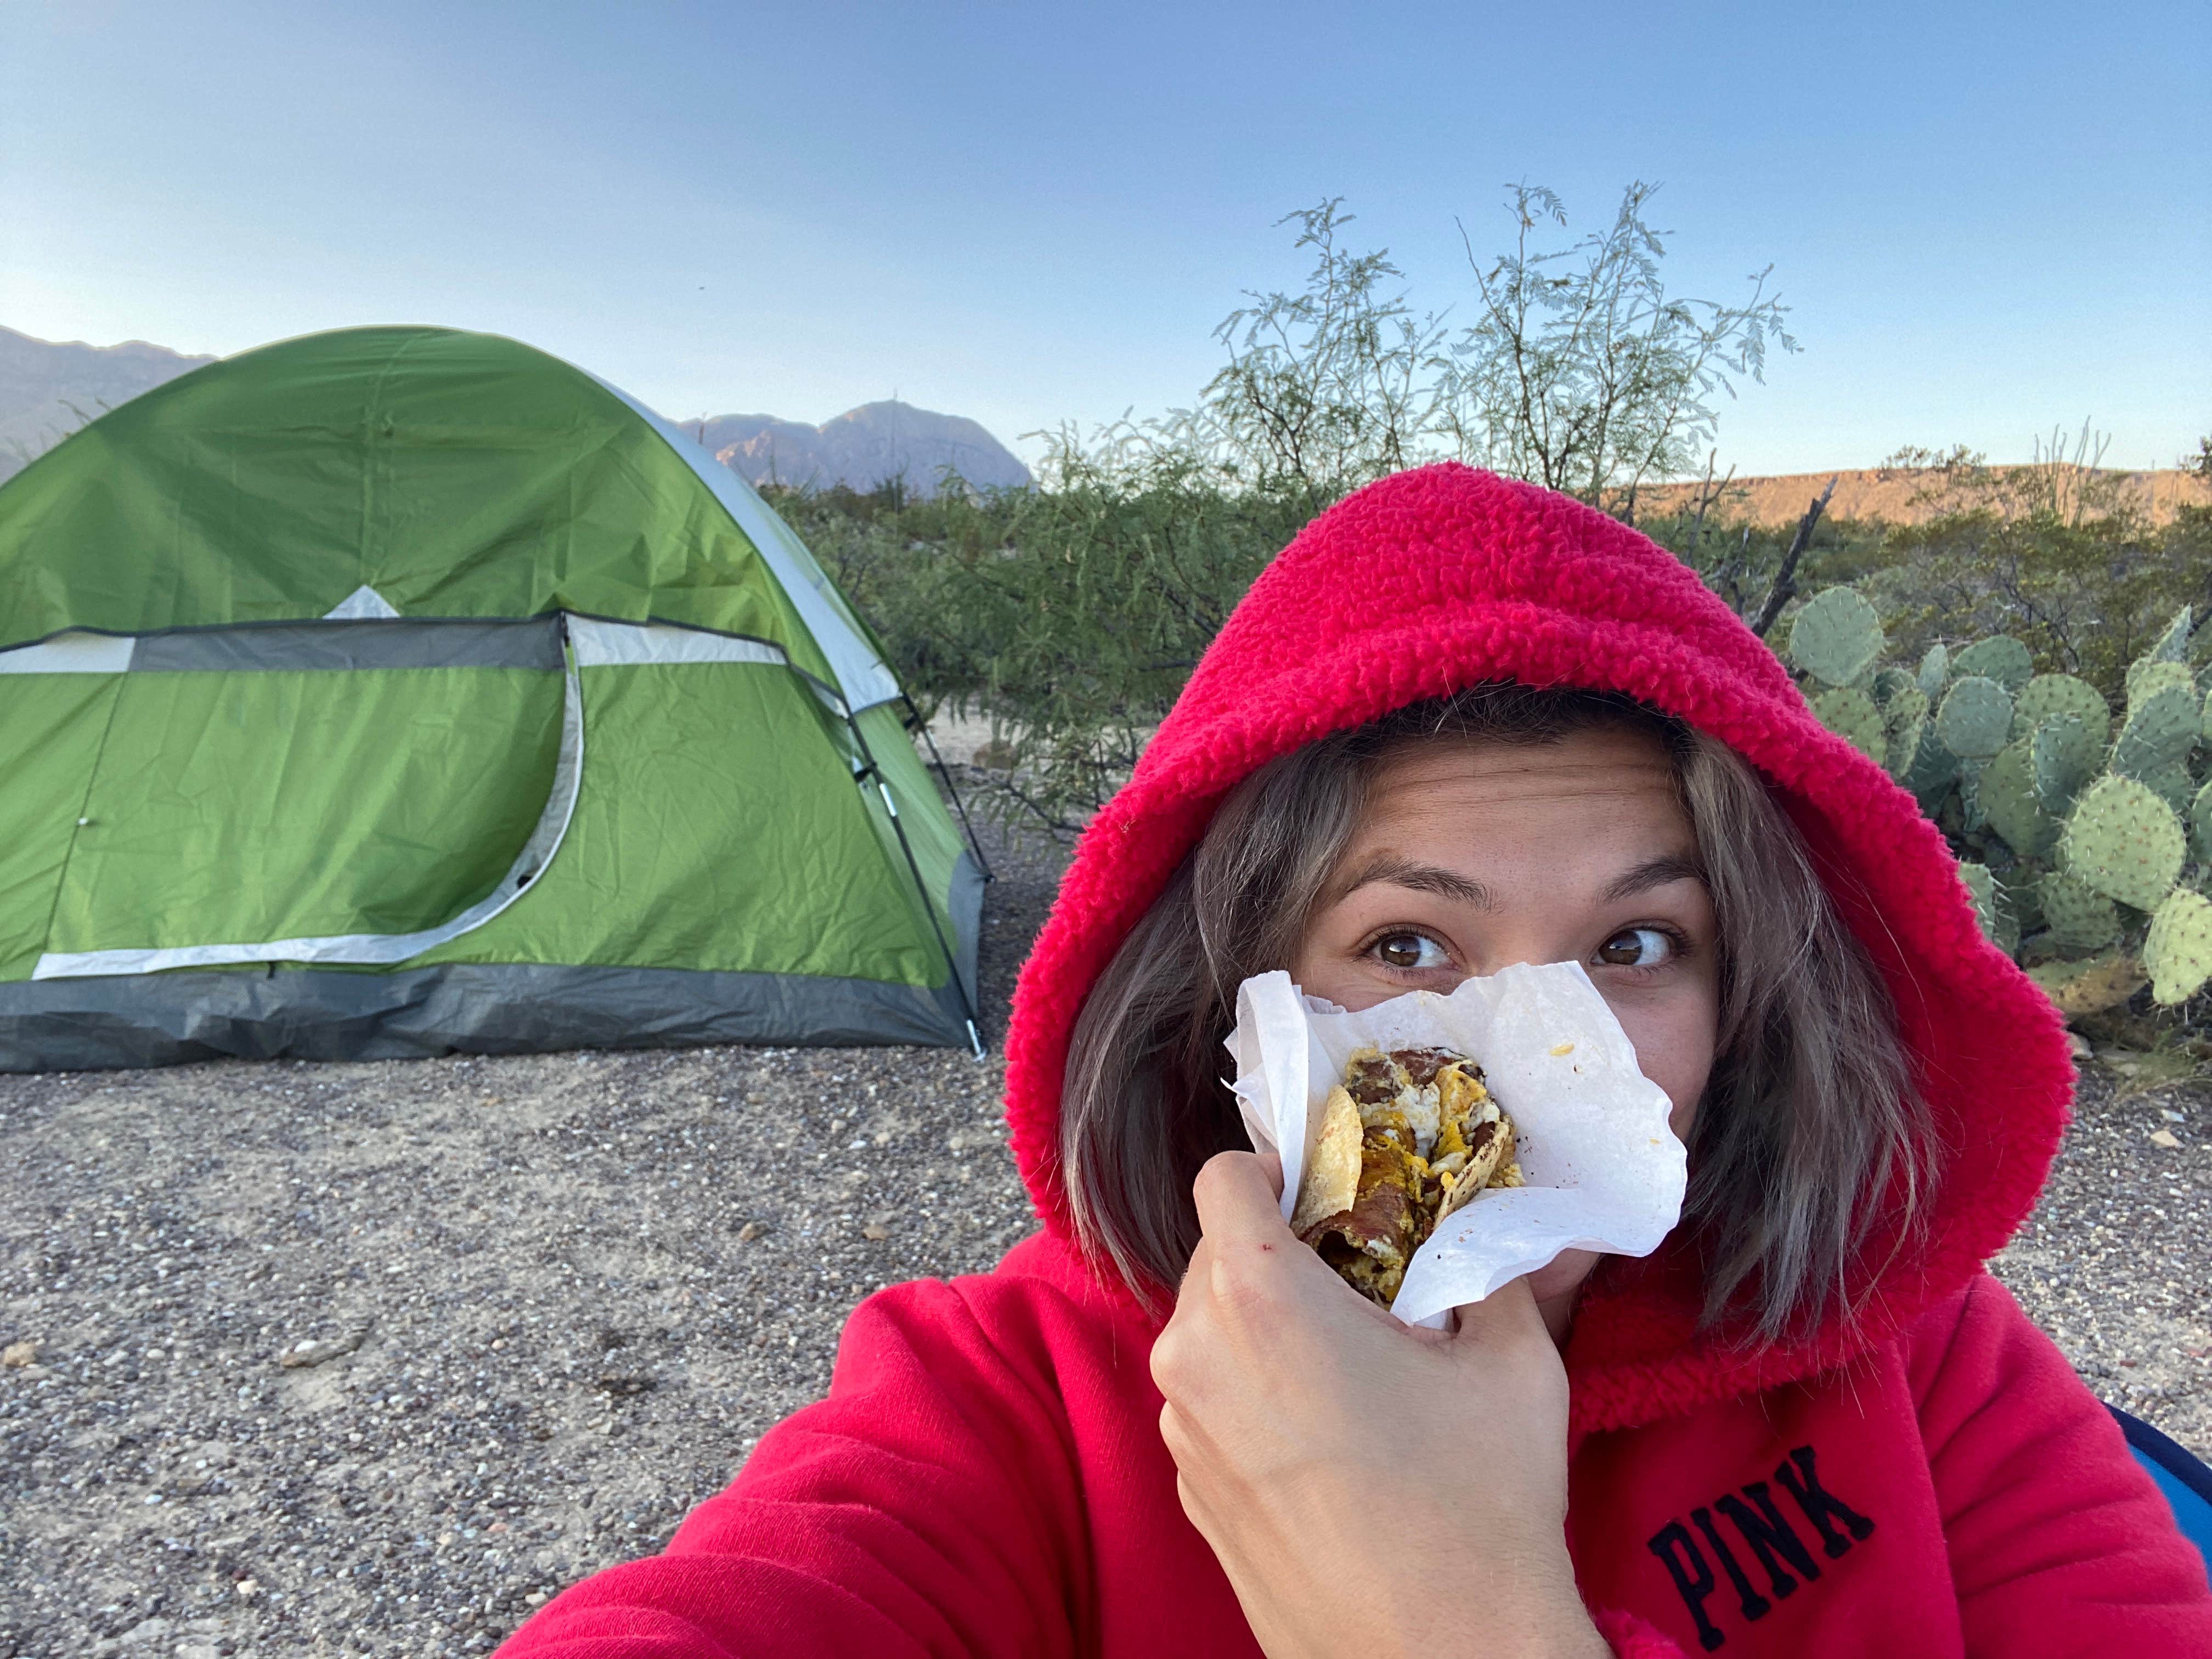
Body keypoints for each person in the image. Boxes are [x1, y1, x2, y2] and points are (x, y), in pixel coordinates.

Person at [495, 464, 2212, 1656]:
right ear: (1234, 1009)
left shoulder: (1926, 1369)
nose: (1535, 1067)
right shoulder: (1012, 1404)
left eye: (1634, 947)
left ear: (1745, 996)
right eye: (1409, 950)